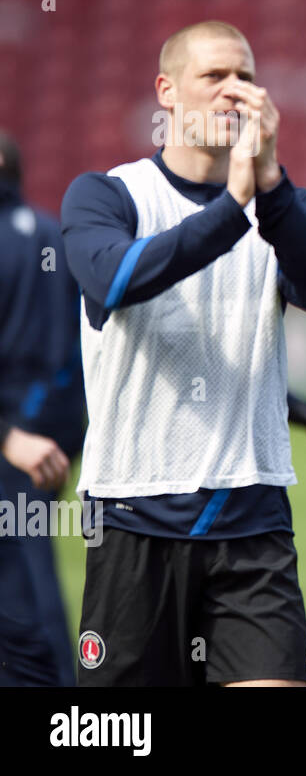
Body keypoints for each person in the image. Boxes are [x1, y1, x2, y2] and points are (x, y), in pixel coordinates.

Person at [61, 20, 306, 686]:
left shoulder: (287, 205)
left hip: (253, 521)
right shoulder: (109, 195)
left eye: (245, 77)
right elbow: (117, 279)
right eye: (214, 77)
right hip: (135, 518)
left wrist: (267, 192)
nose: (233, 92)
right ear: (167, 91)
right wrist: (233, 207)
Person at [0, 133, 85, 686]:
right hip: (54, 430)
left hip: (13, 437)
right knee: (28, 566)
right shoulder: (55, 235)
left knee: (20, 589)